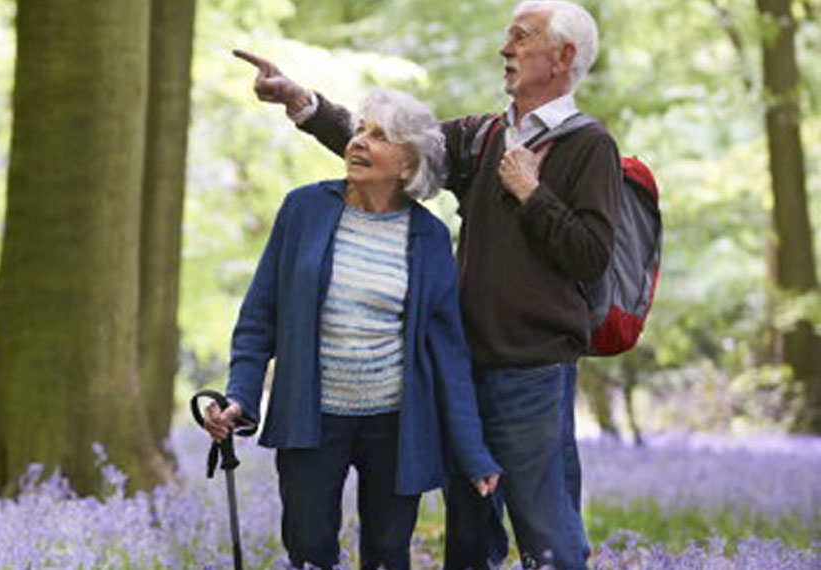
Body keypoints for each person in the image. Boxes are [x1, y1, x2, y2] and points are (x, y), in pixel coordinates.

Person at [232, 2, 623, 569]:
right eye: (507, 36)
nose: (504, 48)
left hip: (530, 372)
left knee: (545, 529)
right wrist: (304, 105)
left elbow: (590, 256)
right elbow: (398, 149)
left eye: (521, 37)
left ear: (563, 56)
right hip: (456, 370)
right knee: (468, 536)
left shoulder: (589, 146)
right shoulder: (485, 135)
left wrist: (532, 194)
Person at [203, 88, 502, 570]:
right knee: (309, 549)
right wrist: (240, 398)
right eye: (360, 130)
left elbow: (448, 354)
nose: (359, 141)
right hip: (311, 417)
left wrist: (473, 452)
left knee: (387, 554)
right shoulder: (303, 210)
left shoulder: (428, 238)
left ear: (407, 165)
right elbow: (259, 320)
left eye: (378, 136)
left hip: (395, 423)